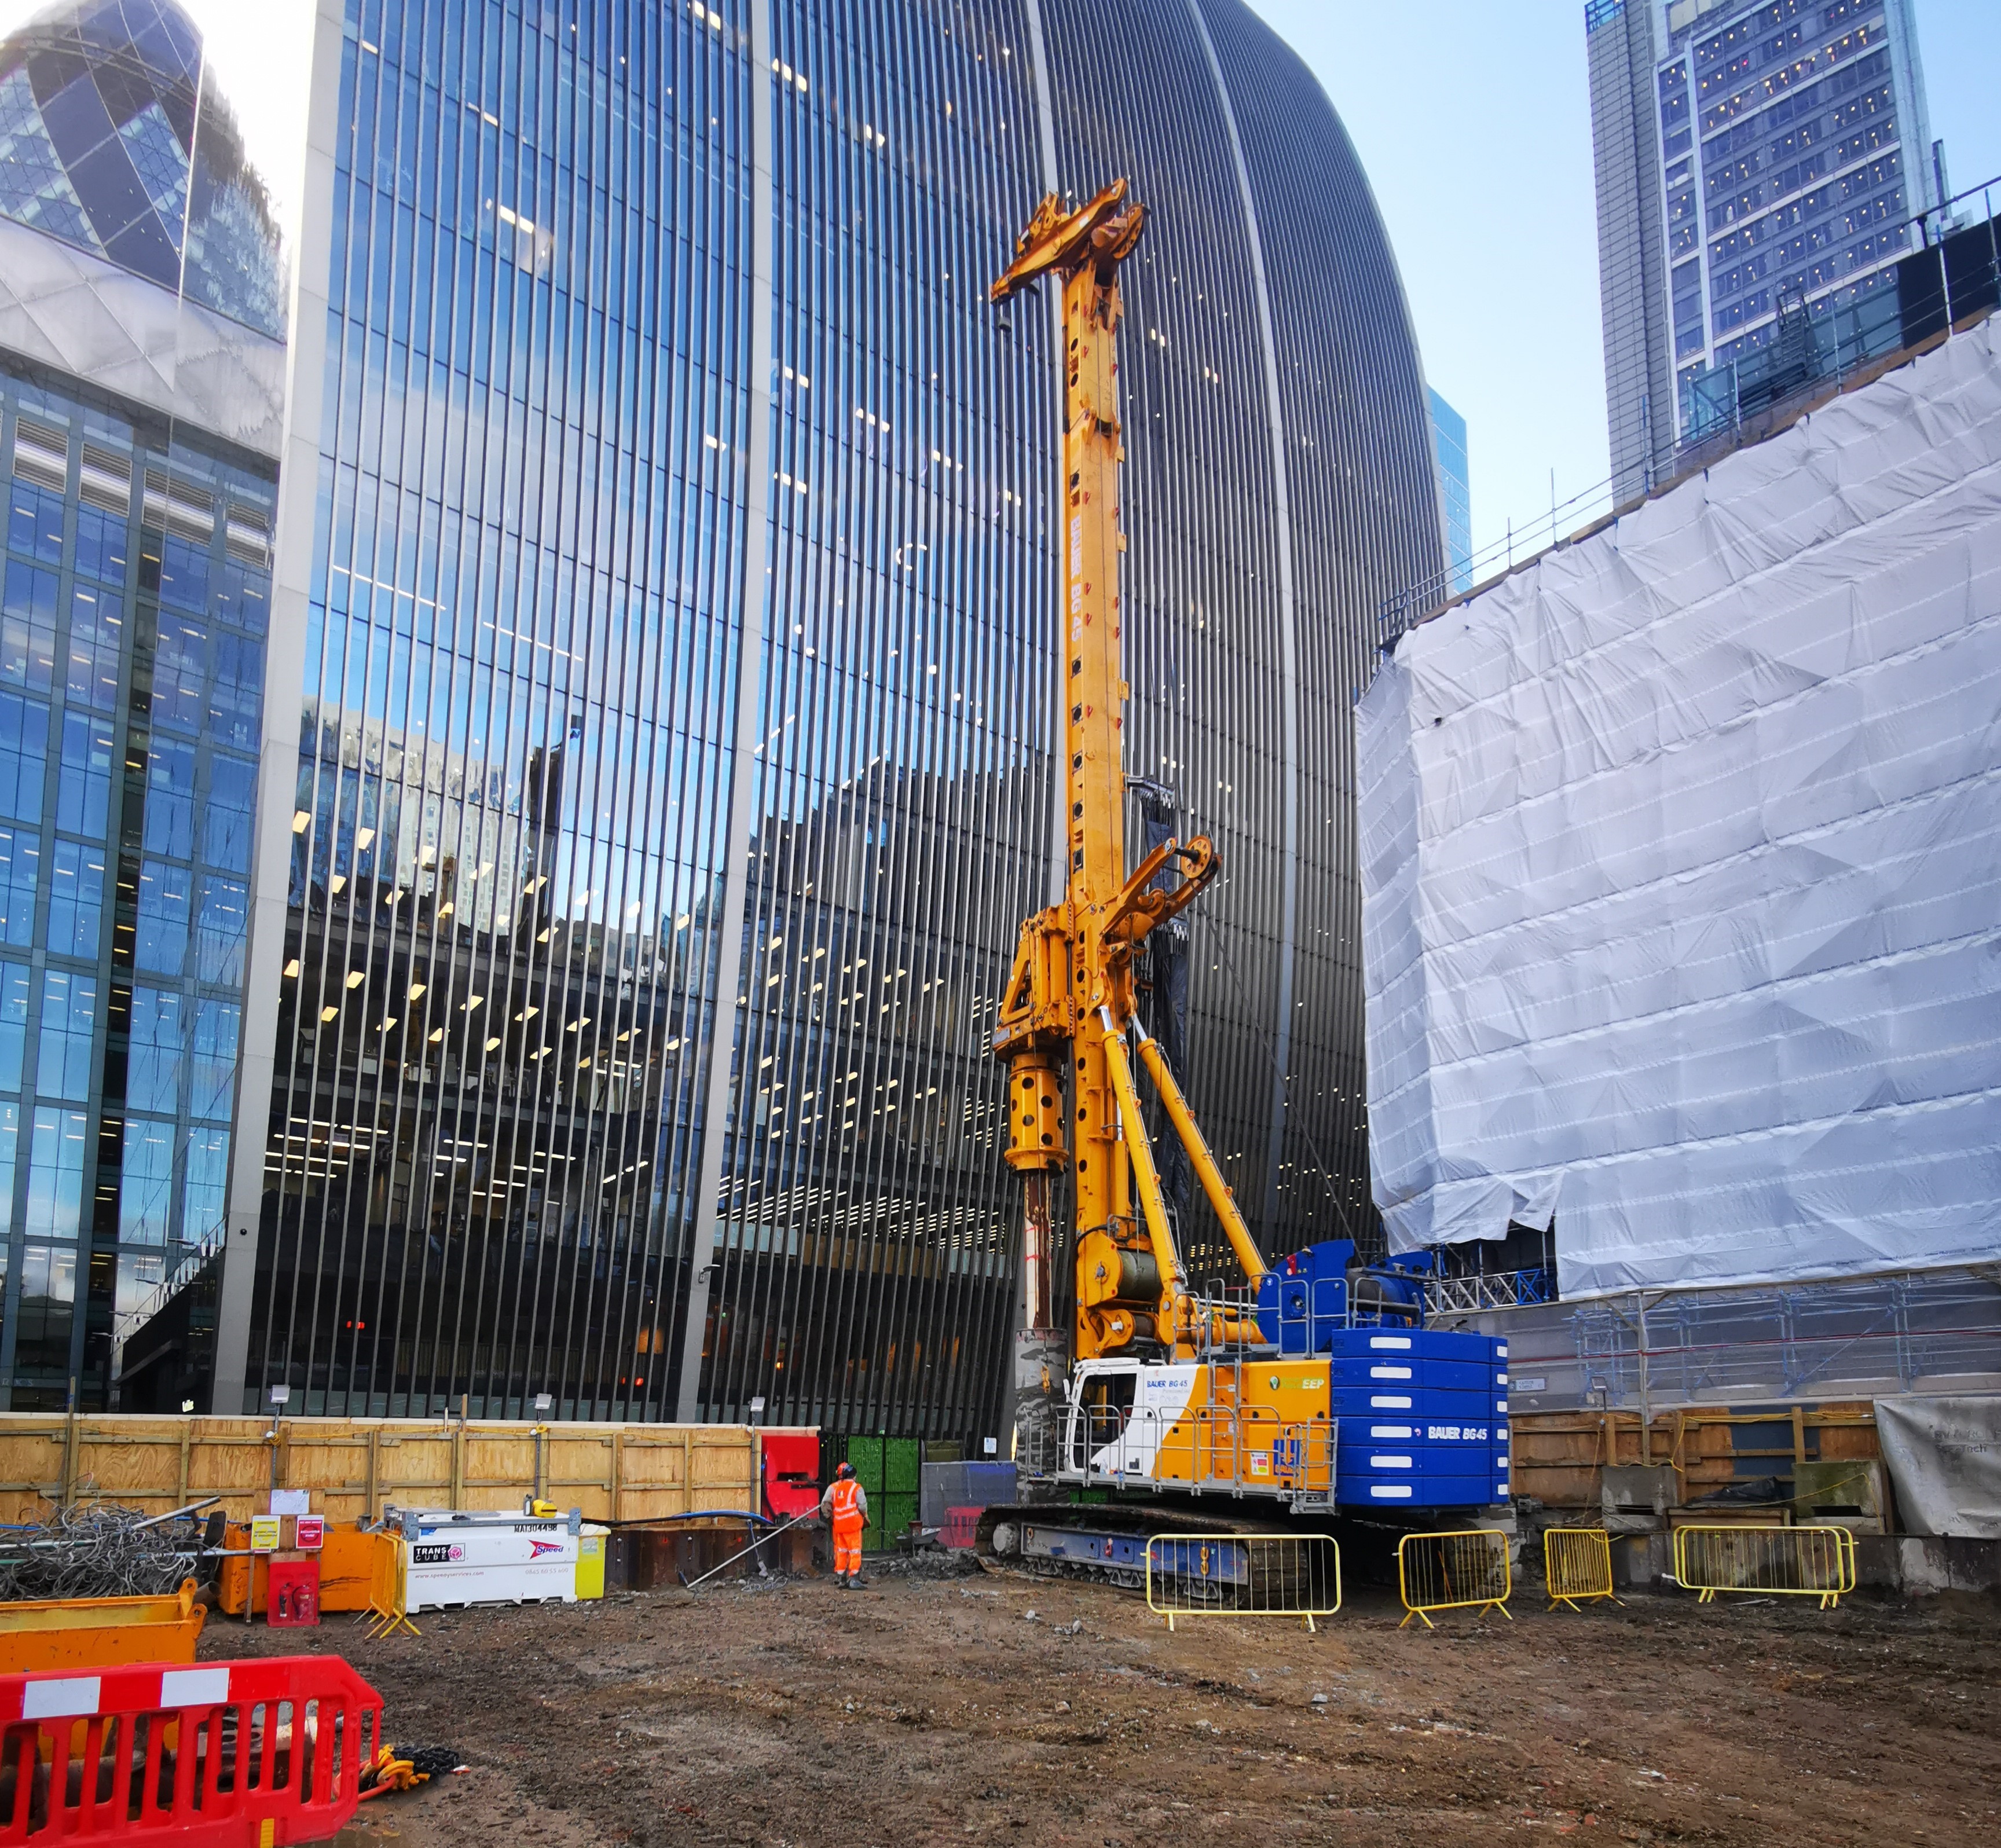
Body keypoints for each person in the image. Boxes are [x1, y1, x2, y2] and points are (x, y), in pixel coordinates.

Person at [820, 1460, 869, 1586]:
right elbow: (862, 1506)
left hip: (839, 1526)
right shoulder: (856, 1488)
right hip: (853, 1525)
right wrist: (864, 1516)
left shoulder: (835, 1488)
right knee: (855, 1551)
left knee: (841, 1551)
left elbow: (826, 1504)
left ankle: (841, 1577)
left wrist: (831, 1518)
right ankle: (853, 1578)